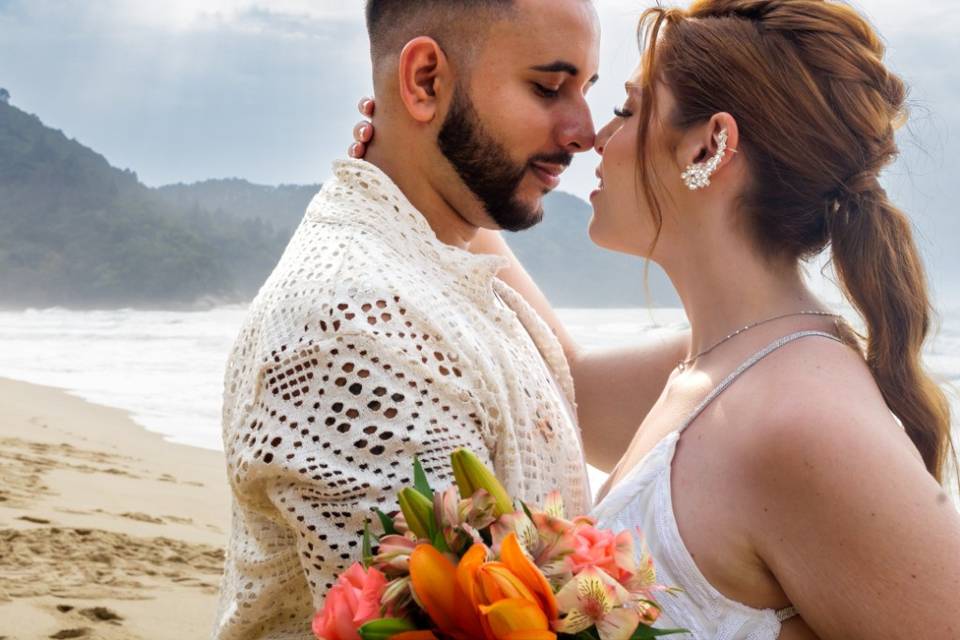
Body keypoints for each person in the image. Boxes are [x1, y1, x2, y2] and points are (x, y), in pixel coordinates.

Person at [353, 0, 960, 637]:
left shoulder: (802, 418)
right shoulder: (719, 364)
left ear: (709, 145)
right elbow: (567, 383)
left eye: (626, 109)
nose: (594, 138)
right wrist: (424, 176)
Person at [213, 1, 685, 638]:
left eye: (588, 89)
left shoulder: (439, 245)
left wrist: (788, 326)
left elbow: (577, 391)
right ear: (426, 80)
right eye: (549, 87)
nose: (584, 131)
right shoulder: (356, 330)